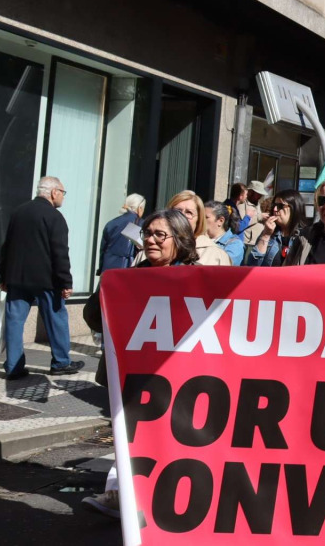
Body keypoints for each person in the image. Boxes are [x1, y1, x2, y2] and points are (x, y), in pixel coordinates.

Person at [82, 207, 197, 520]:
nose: (151, 240)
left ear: (180, 240)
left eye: (160, 235)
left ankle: (167, 504)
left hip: (179, 378)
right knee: (131, 435)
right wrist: (110, 287)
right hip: (132, 377)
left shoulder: (198, 280)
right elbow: (93, 317)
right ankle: (120, 496)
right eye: (147, 233)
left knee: (168, 440)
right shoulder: (129, 276)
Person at [0, 176, 82, 379]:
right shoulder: (54, 217)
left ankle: (13, 367)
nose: (63, 197)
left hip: (17, 278)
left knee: (14, 322)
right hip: (47, 280)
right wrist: (65, 282)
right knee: (56, 319)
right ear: (54, 192)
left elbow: (6, 247)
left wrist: (3, 276)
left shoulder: (18, 212)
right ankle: (61, 363)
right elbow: (60, 253)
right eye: (63, 192)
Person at [166, 191, 230, 266]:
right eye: (177, 211)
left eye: (189, 212)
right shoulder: (157, 245)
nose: (182, 216)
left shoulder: (213, 253)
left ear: (199, 220)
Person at [247, 190, 307, 267]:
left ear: (294, 208)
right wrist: (266, 235)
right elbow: (252, 265)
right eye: (274, 205)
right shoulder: (269, 233)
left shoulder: (305, 236)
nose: (275, 209)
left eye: (280, 206)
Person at [98, 193, 145, 274]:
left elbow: (103, 249)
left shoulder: (111, 223)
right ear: (140, 208)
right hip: (129, 268)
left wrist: (101, 269)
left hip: (108, 267)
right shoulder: (142, 224)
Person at [203, 201, 245, 267]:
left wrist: (205, 242)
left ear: (220, 221)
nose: (201, 220)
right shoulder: (198, 238)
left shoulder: (235, 244)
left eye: (206, 217)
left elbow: (219, 267)